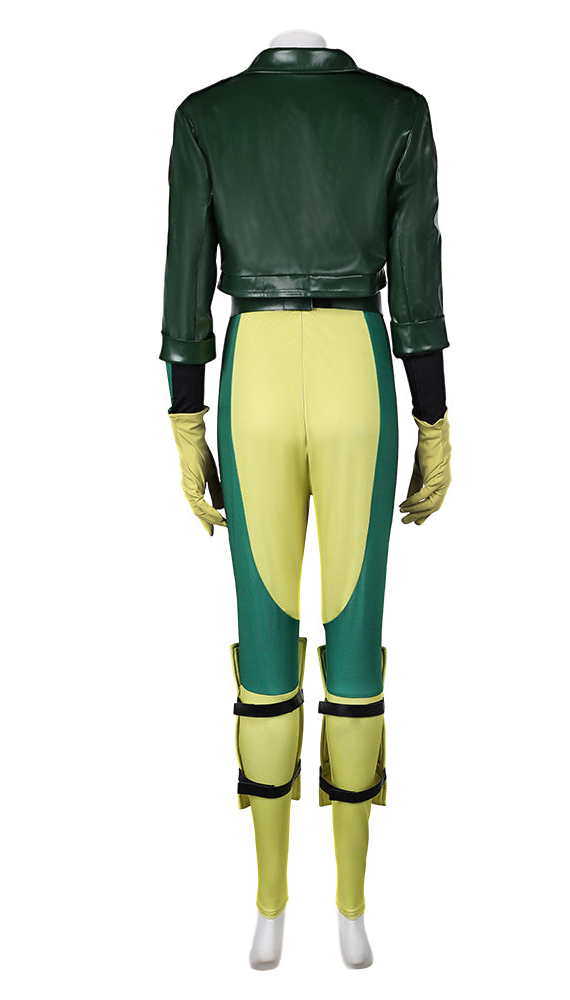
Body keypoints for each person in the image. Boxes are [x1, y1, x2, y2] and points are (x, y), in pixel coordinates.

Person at [161, 30, 452, 969]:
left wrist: (185, 417)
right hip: (357, 371)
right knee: (356, 636)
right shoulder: (398, 113)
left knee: (264, 636)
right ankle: (353, 910)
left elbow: (183, 279)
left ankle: (269, 904)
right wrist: (435, 419)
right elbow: (416, 279)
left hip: (252, 374)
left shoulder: (205, 117)